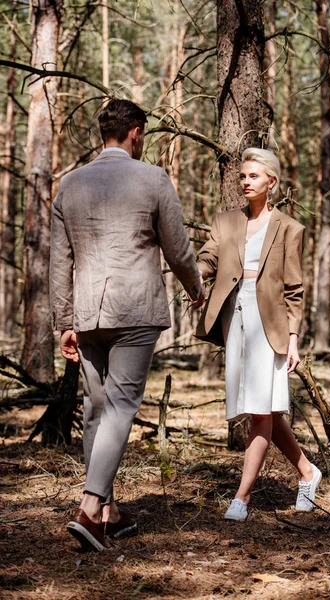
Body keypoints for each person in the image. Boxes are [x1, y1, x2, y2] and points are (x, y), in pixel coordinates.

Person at [50, 99, 204, 550]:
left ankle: (110, 515)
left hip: (87, 313)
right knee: (119, 406)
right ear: (135, 132)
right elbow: (177, 248)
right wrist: (195, 287)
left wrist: (64, 321)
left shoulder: (70, 184)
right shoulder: (152, 178)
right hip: (135, 309)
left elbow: (60, 261)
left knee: (97, 409)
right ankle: (89, 504)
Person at [195, 147, 321, 521]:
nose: (245, 182)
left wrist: (294, 337)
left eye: (253, 176)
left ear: (272, 182)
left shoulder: (290, 229)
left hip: (272, 323)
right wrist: (195, 275)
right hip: (235, 317)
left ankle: (242, 496)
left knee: (261, 413)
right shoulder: (226, 222)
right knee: (260, 408)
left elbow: (294, 289)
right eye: (242, 176)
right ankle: (308, 472)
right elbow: (208, 257)